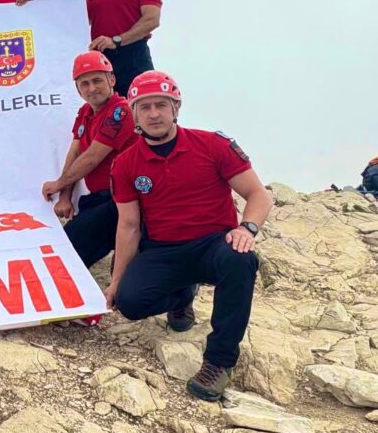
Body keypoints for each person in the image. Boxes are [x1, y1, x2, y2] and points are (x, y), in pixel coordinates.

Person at [107, 71, 272, 401]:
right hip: (164, 250)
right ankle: (183, 297)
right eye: (144, 107)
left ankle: (219, 363)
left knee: (240, 259)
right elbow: (128, 226)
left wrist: (246, 228)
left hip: (213, 243)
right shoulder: (125, 164)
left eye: (161, 105)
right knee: (130, 301)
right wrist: (115, 281)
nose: (154, 113)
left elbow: (259, 195)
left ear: (176, 108)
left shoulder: (213, 144)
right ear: (135, 114)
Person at [41, 51, 136, 273]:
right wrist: (64, 196)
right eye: (84, 84)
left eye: (97, 81)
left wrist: (57, 184)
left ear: (111, 80)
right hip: (97, 199)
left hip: (122, 200)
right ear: (78, 89)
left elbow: (93, 156)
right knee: (68, 252)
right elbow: (75, 152)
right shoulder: (85, 111)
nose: (91, 88)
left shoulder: (121, 111)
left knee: (69, 252)